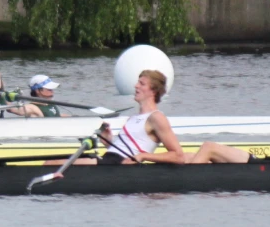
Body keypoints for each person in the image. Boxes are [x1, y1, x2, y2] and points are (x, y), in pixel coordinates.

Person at [51, 70, 185, 176]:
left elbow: (178, 156)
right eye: (138, 82)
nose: (135, 86)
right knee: (51, 162)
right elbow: (123, 150)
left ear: (154, 91)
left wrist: (143, 156)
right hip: (110, 160)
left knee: (53, 163)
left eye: (142, 83)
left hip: (119, 165)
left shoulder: (156, 117)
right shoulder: (132, 118)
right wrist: (108, 142)